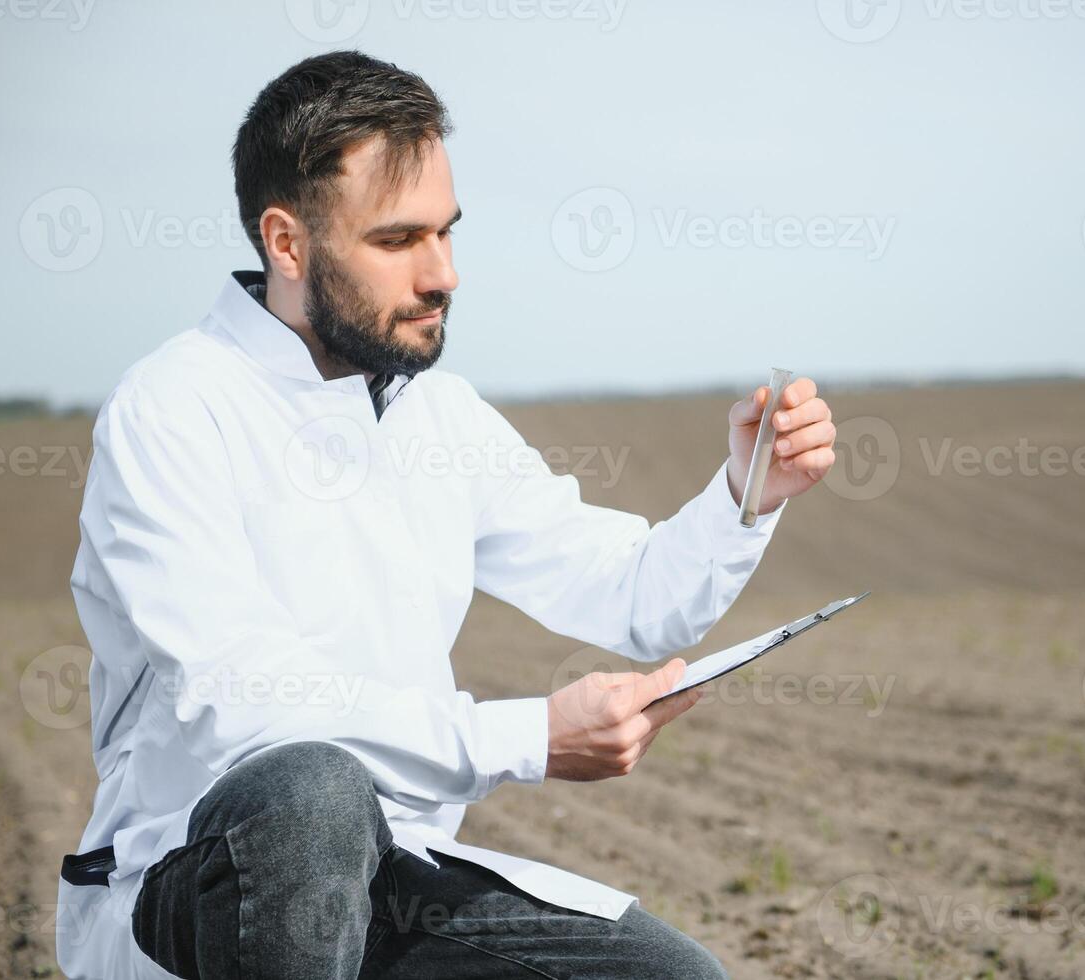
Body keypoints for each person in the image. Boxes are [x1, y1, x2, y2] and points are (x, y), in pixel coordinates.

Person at [55, 50, 838, 979]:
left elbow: (637, 598)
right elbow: (244, 710)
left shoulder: (441, 416)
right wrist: (527, 738)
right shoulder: (173, 408)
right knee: (311, 793)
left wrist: (744, 494)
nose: (443, 275)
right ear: (287, 242)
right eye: (397, 241)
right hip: (196, 889)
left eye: (447, 233)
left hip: (396, 883)